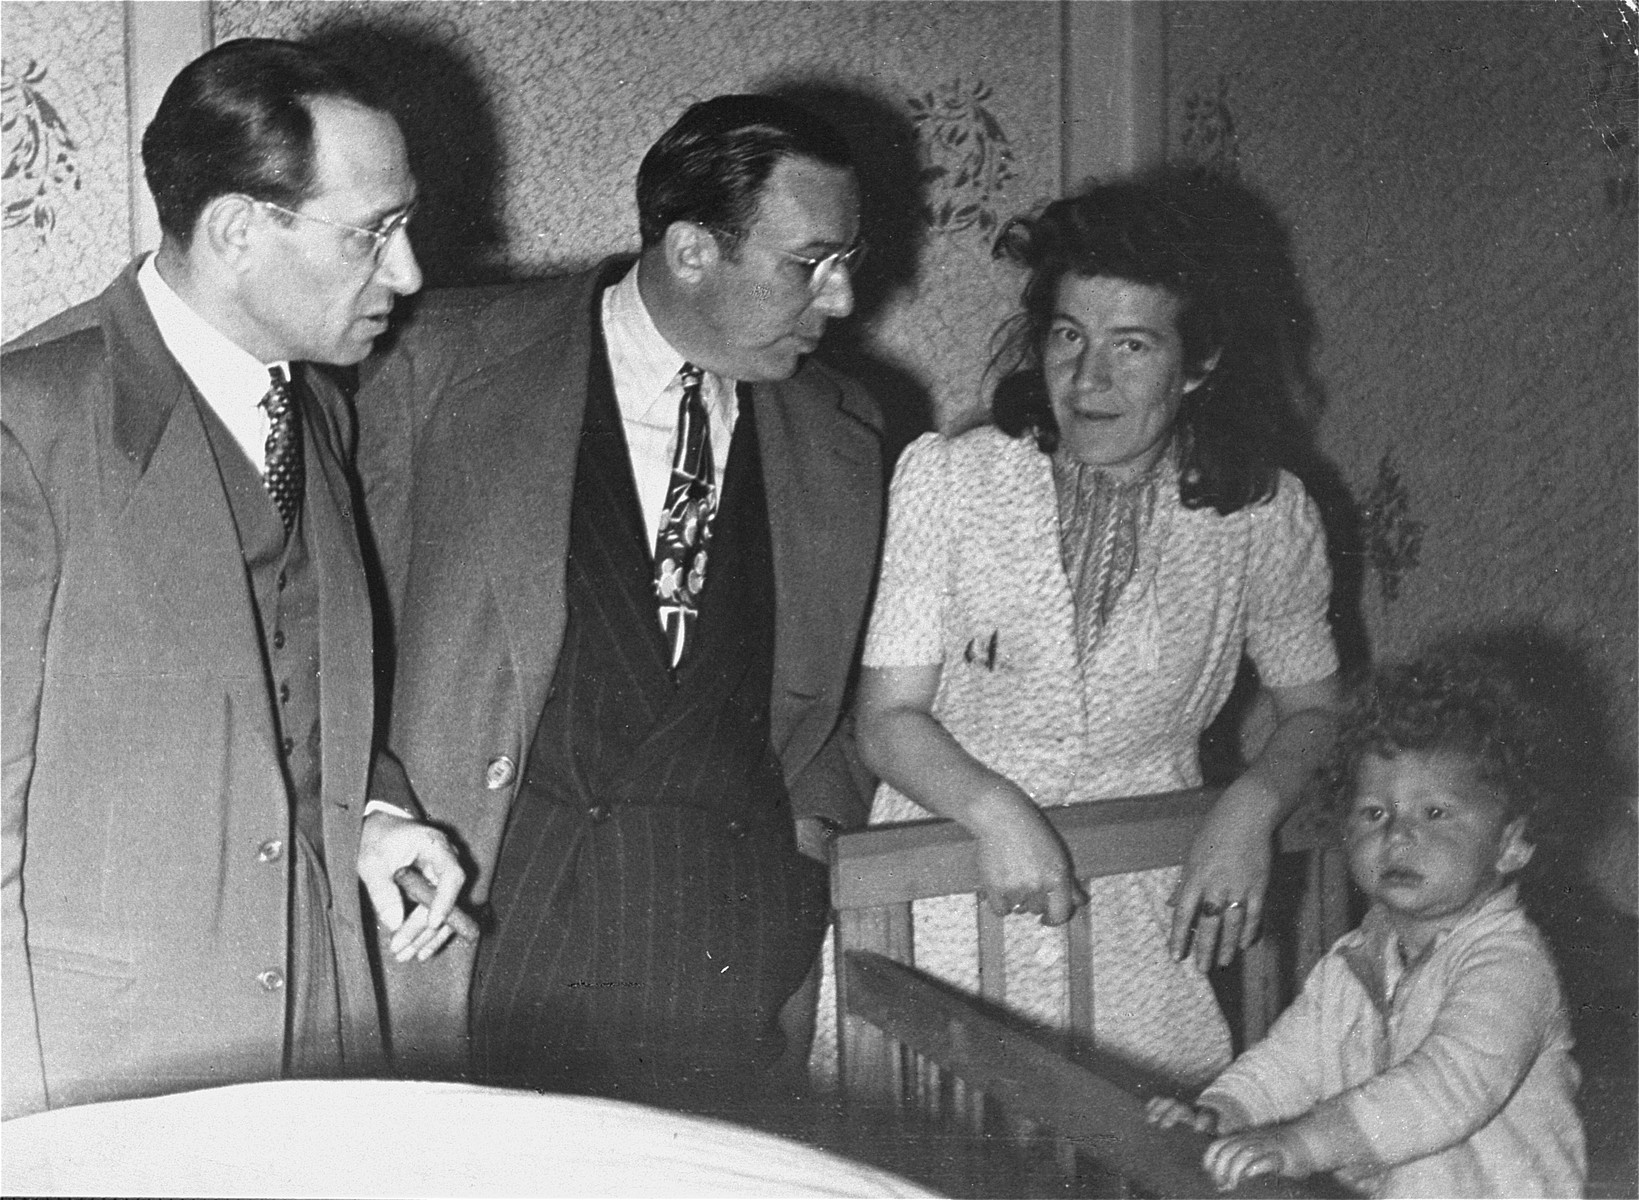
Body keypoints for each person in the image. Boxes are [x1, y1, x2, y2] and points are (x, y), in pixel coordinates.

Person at [355, 94, 882, 1108]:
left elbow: (842, 709)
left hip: (722, 968)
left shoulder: (843, 430)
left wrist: (802, 864)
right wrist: (377, 808)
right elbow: (319, 638)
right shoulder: (434, 367)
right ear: (690, 249)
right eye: (809, 263)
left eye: (847, 259)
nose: (844, 298)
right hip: (482, 937)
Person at [1, 38, 467, 1120]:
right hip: (105, 1072)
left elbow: (291, 675)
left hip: (320, 1018)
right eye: (373, 235)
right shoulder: (27, 430)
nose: (407, 274)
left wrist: (376, 812)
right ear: (237, 231)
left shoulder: (316, 407)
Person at [816, 170, 1341, 1087]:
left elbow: (1317, 713)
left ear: (1199, 363)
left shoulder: (1264, 514)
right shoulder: (949, 480)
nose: (1087, 378)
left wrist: (1250, 807)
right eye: (1068, 336)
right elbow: (886, 720)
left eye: (1131, 346)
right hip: (940, 888)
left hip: (1140, 907)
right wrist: (995, 808)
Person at [1146, 640, 1587, 1197]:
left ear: (1512, 844)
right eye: (1375, 813)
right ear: (1347, 832)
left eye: (1435, 813)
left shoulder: (1511, 965)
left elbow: (1446, 1087)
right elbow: (1289, 1063)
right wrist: (1220, 1112)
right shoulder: (1355, 960)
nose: (1399, 834)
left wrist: (1301, 1145)